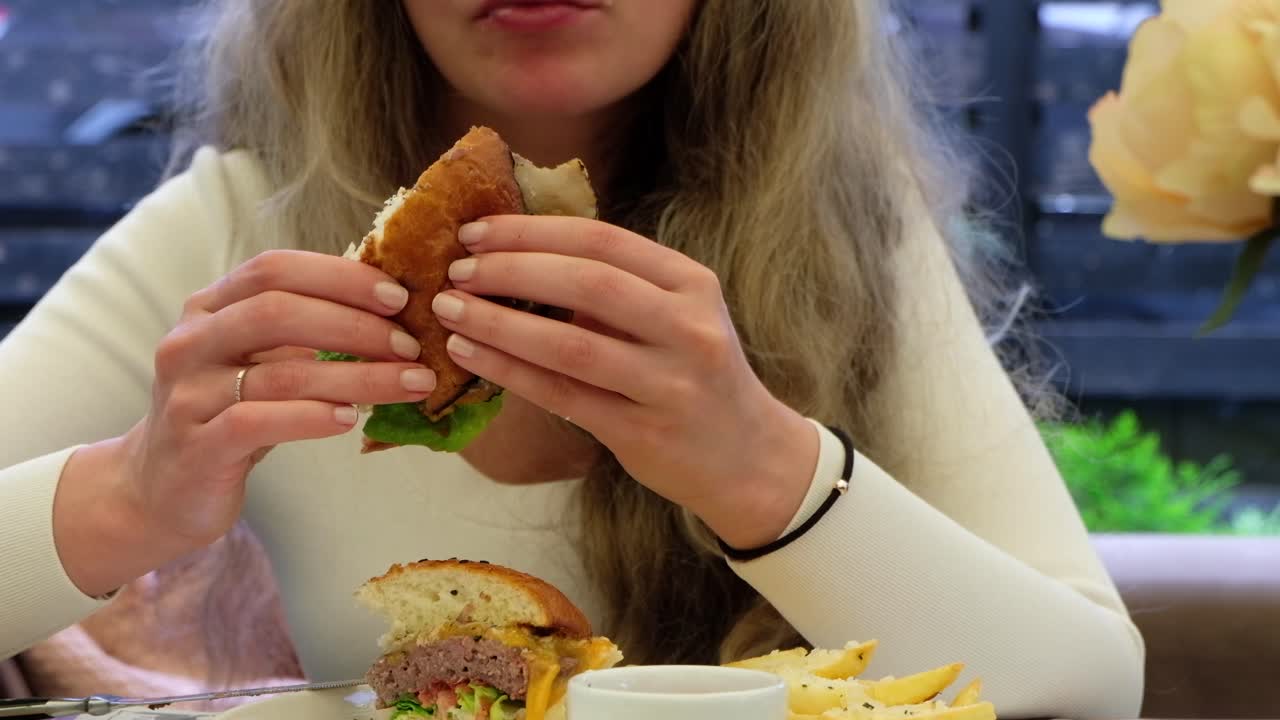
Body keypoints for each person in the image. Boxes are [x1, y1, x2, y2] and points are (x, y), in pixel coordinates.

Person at [0, 1, 1145, 717]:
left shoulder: (852, 242)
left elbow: (1093, 684)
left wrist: (765, 474)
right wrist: (130, 496)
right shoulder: (241, 227)